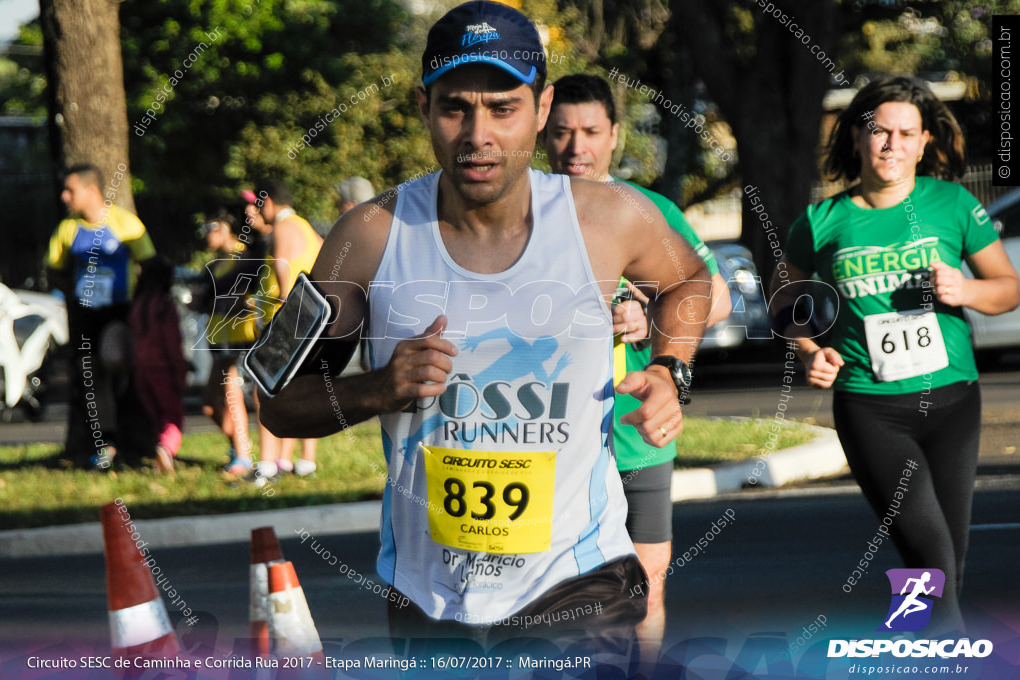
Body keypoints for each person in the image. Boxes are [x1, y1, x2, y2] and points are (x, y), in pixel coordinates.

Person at [259, 0, 711, 658]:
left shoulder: (610, 220)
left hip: (579, 577)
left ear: (541, 106)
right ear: (424, 108)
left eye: (503, 108)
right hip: (428, 595)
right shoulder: (367, 238)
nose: (478, 134)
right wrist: (378, 389)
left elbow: (690, 282)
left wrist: (672, 369)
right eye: (455, 108)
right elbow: (278, 403)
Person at [770, 76, 1019, 634]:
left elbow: (1008, 287)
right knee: (932, 556)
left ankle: (913, 649)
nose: (892, 145)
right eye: (880, 132)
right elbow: (787, 299)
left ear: (925, 141)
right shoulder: (823, 220)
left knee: (941, 566)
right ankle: (946, 660)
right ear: (857, 137)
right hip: (871, 406)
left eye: (907, 134)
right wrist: (811, 349)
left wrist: (965, 290)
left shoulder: (951, 203)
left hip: (954, 401)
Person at [541, 72, 730, 664]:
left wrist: (651, 319)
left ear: (615, 135)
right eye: (564, 132)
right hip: (548, 436)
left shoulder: (647, 209)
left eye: (592, 131)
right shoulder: (519, 214)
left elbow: (715, 298)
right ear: (543, 134)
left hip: (635, 430)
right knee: (557, 594)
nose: (578, 147)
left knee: (647, 582)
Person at [46, 163, 157, 468]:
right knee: (92, 377)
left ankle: (135, 438)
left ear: (92, 190)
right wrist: (73, 294)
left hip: (119, 312)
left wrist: (140, 306)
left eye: (71, 190)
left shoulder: (125, 223)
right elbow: (53, 268)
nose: (65, 196)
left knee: (119, 362)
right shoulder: (68, 228)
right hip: (86, 313)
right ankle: (106, 444)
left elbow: (151, 265)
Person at [254, 179, 324, 480]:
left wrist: (281, 313)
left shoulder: (283, 227)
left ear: (268, 201)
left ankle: (267, 463)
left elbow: (282, 268)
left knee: (266, 390)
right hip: (308, 320)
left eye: (259, 204)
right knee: (305, 389)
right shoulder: (305, 226)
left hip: (287, 319)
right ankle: (306, 461)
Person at [199, 211, 276, 475]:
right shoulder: (215, 264)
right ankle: (239, 445)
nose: (206, 233)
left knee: (235, 395)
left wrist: (250, 301)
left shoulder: (249, 258)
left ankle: (245, 457)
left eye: (210, 226)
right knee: (210, 403)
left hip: (243, 340)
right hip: (218, 342)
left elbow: (261, 291)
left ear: (225, 228)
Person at [129, 256, 186, 474]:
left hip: (141, 371)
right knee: (173, 417)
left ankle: (159, 458)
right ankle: (165, 450)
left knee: (157, 417)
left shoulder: (138, 305)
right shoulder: (163, 306)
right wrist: (180, 370)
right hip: (163, 370)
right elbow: (172, 343)